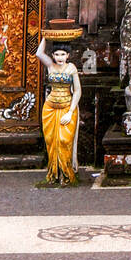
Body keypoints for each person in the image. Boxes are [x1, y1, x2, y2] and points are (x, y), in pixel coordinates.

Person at [35, 37, 81, 185]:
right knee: (51, 141)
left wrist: (70, 112)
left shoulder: (71, 68)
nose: (59, 58)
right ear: (53, 56)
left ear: (68, 55)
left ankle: (67, 173)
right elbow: (38, 53)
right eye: (56, 54)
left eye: (63, 54)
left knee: (64, 140)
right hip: (50, 108)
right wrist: (45, 36)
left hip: (67, 107)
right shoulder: (50, 65)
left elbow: (78, 91)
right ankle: (55, 173)